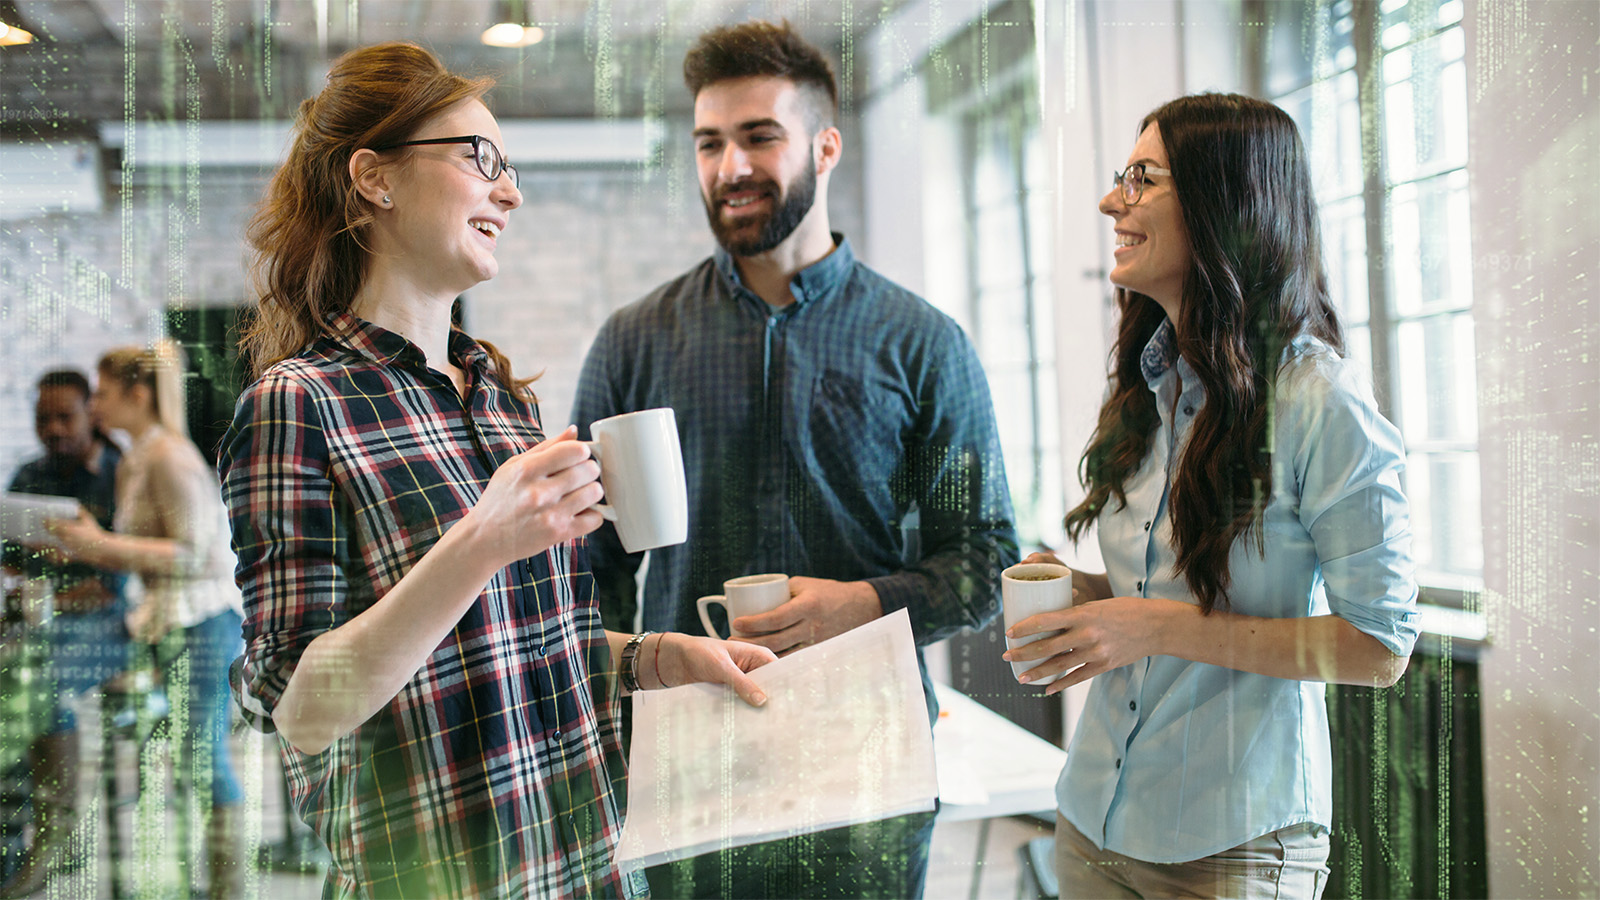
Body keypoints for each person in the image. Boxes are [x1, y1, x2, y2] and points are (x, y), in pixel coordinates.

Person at [217, 41, 774, 899]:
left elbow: (515, 648)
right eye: (481, 158)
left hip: (587, 872)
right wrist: (483, 539)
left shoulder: (502, 397)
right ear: (375, 177)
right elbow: (296, 706)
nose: (510, 191)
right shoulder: (297, 404)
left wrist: (657, 658)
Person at [571, 20, 1018, 900]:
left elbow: (989, 558)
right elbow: (584, 567)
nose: (731, 166)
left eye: (759, 136)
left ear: (824, 145)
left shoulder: (921, 342)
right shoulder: (634, 343)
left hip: (869, 763)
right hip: (690, 758)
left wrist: (864, 604)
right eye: (710, 143)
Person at [1002, 93, 1420, 899]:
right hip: (1092, 816)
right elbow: (1160, 595)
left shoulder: (1318, 402)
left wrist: (1152, 625)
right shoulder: (1149, 381)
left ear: (1223, 204)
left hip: (1232, 843)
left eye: (1141, 178)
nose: (1109, 200)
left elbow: (1380, 646)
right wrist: (1088, 598)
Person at [44, 343, 248, 897]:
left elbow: (196, 556)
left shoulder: (171, 458)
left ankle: (230, 889)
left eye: (103, 394)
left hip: (205, 621)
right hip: (161, 620)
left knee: (200, 757)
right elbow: (144, 543)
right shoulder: (136, 456)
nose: (96, 407)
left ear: (137, 395)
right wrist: (92, 537)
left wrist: (100, 545)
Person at [0, 370, 131, 898]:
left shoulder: (121, 475)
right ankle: (12, 841)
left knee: (40, 681)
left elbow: (113, 584)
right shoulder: (30, 475)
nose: (52, 429)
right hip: (42, 622)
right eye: (42, 419)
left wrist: (55, 575)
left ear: (91, 416)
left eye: (64, 417)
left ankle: (55, 833)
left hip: (113, 624)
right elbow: (8, 560)